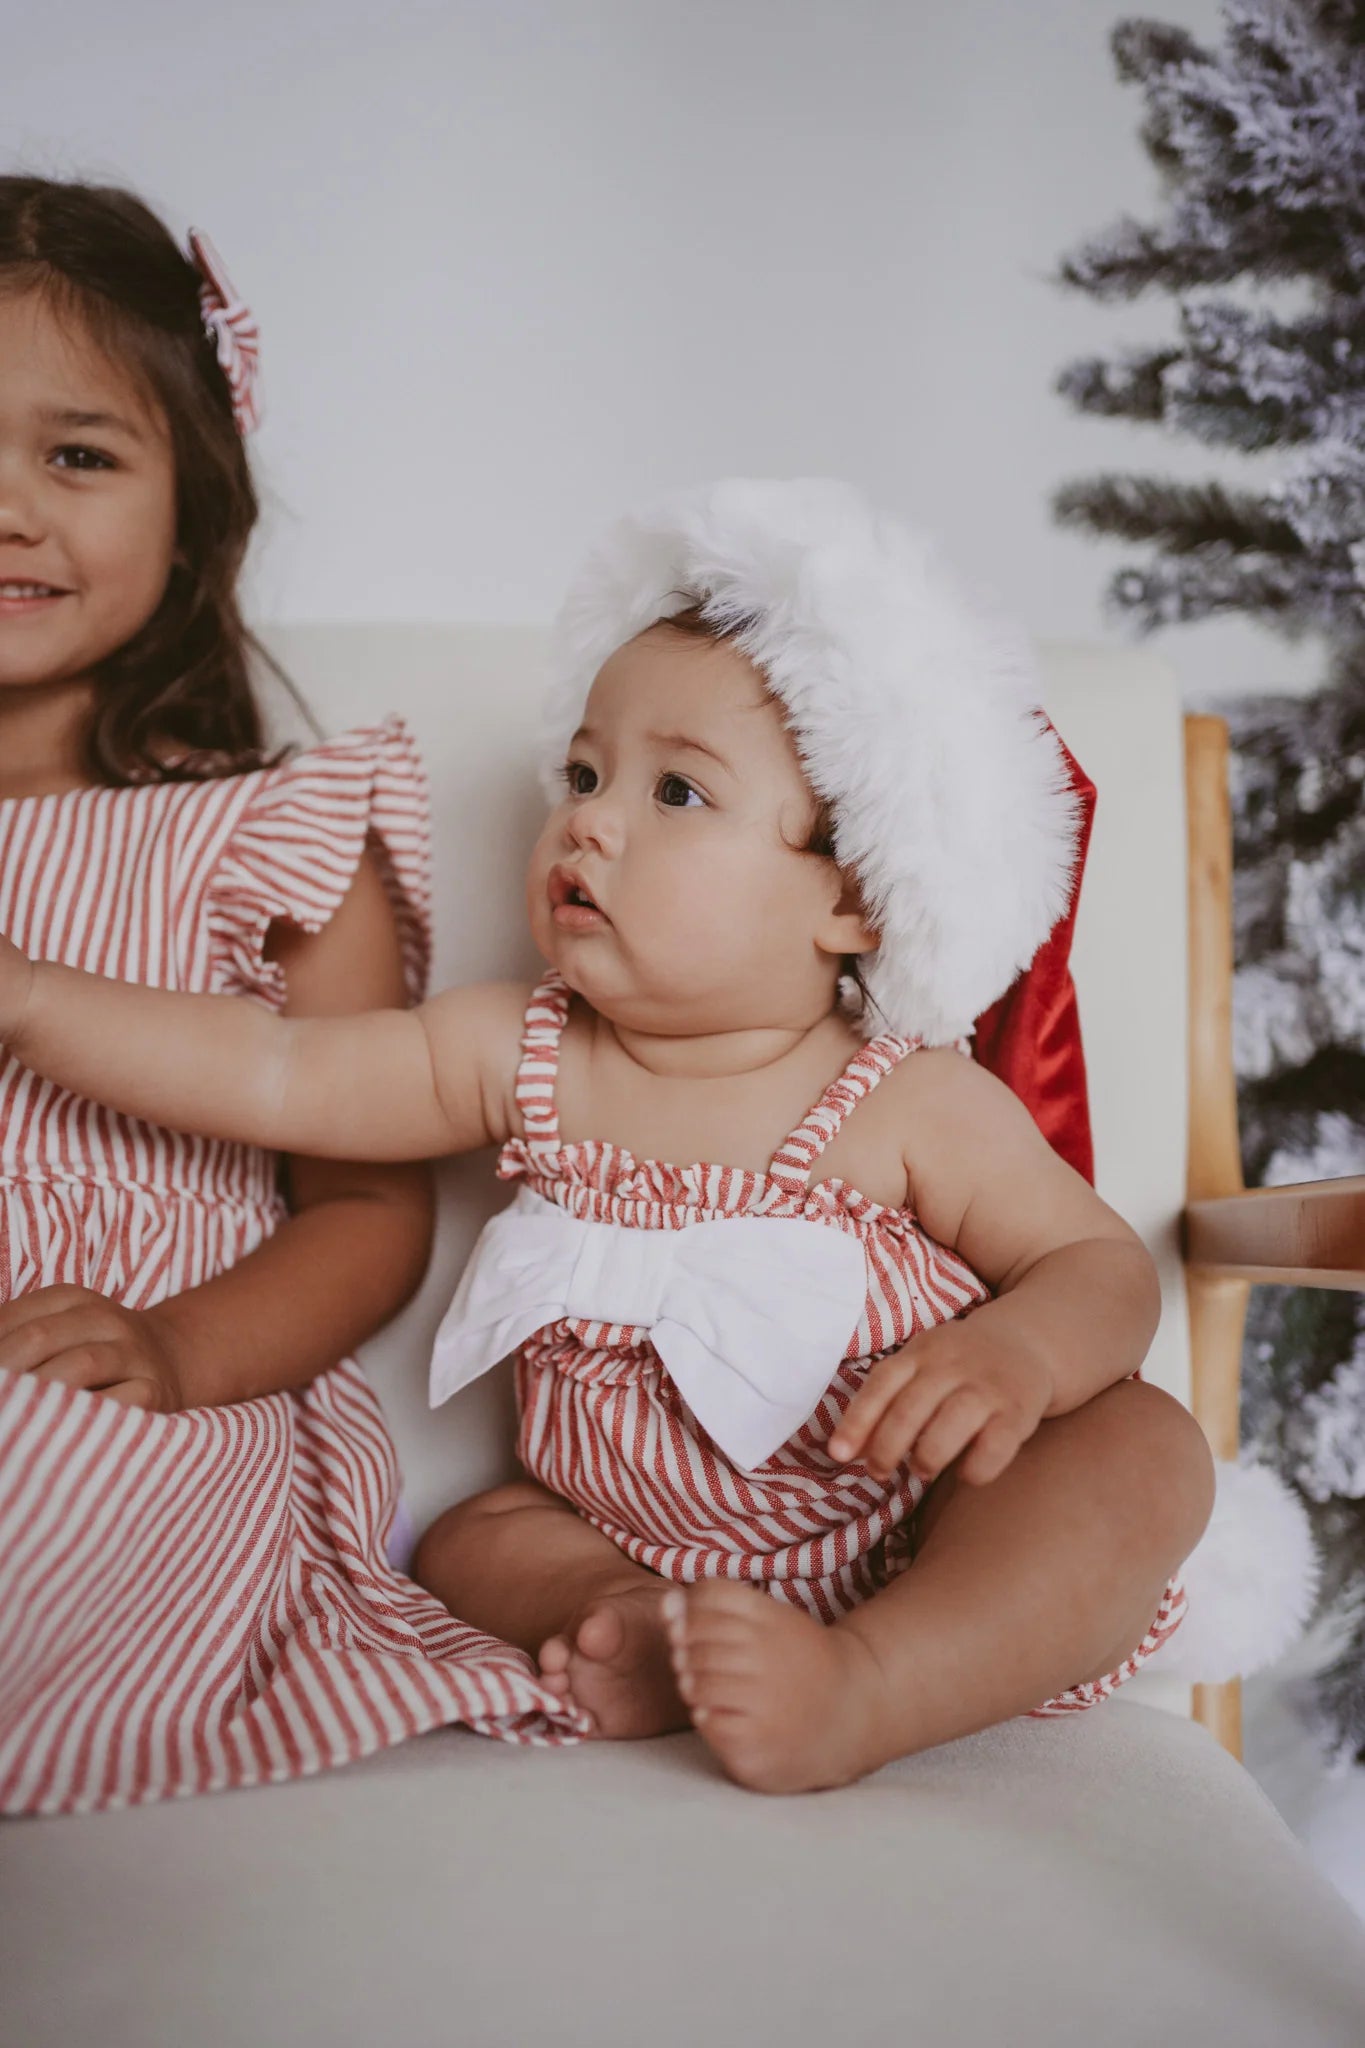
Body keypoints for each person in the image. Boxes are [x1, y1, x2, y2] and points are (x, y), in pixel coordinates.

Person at [0, 477, 1215, 1796]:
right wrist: (35, 1000)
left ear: (853, 899)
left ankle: (874, 1682)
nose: (588, 814)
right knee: (473, 1537)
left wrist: (1013, 1355)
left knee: (1141, 1451)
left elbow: (1099, 1266)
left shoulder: (904, 1101)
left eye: (678, 792)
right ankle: (639, 1630)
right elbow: (279, 1070)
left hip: (918, 1518)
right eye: (583, 771)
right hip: (623, 1529)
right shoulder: (513, 1052)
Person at [0, 175, 578, 1817]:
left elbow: (365, 1212)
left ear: (191, 509)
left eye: (79, 454)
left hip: (134, 1395)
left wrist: (175, 1355)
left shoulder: (270, 835)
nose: (10, 507)